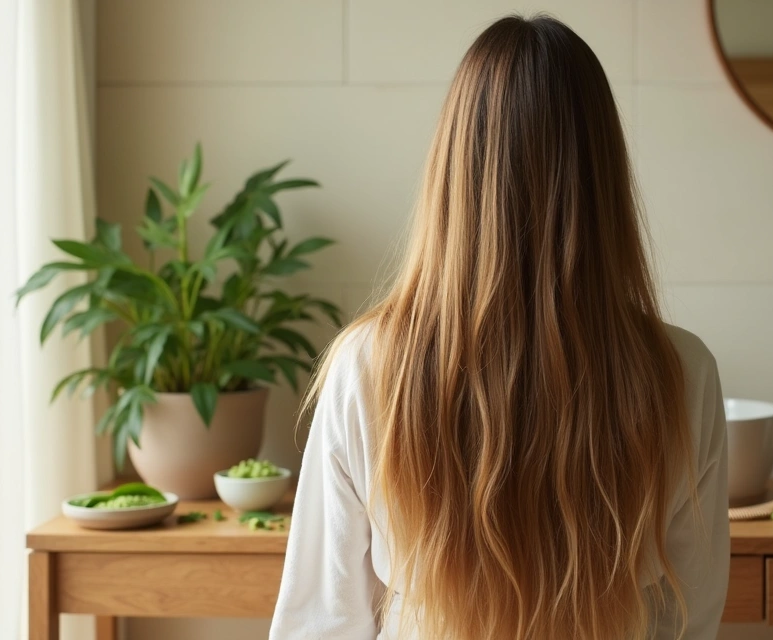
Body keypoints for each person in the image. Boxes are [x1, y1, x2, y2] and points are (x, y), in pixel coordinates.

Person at [270, 14, 729, 640]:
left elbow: (321, 621)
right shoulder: (682, 372)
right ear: (603, 174)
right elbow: (688, 620)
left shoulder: (371, 367)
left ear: (453, 170)